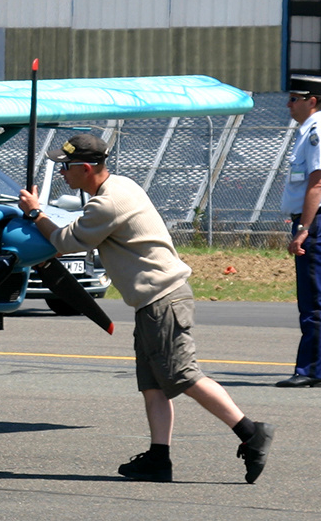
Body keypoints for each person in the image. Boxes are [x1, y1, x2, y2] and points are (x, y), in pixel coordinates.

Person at [18, 132, 274, 484]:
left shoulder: (108, 203)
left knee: (181, 375)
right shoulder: (119, 187)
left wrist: (35, 214)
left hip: (162, 300)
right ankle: (158, 458)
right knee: (152, 384)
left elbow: (68, 241)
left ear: (88, 168)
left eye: (67, 167)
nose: (63, 173)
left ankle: (250, 432)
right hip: (153, 302)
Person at [278, 74, 321, 388]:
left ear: (311, 101)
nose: (289, 104)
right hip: (320, 219)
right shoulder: (312, 131)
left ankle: (313, 369)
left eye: (295, 98)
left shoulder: (317, 131)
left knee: (316, 299)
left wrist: (303, 228)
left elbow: (317, 182)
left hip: (316, 220)